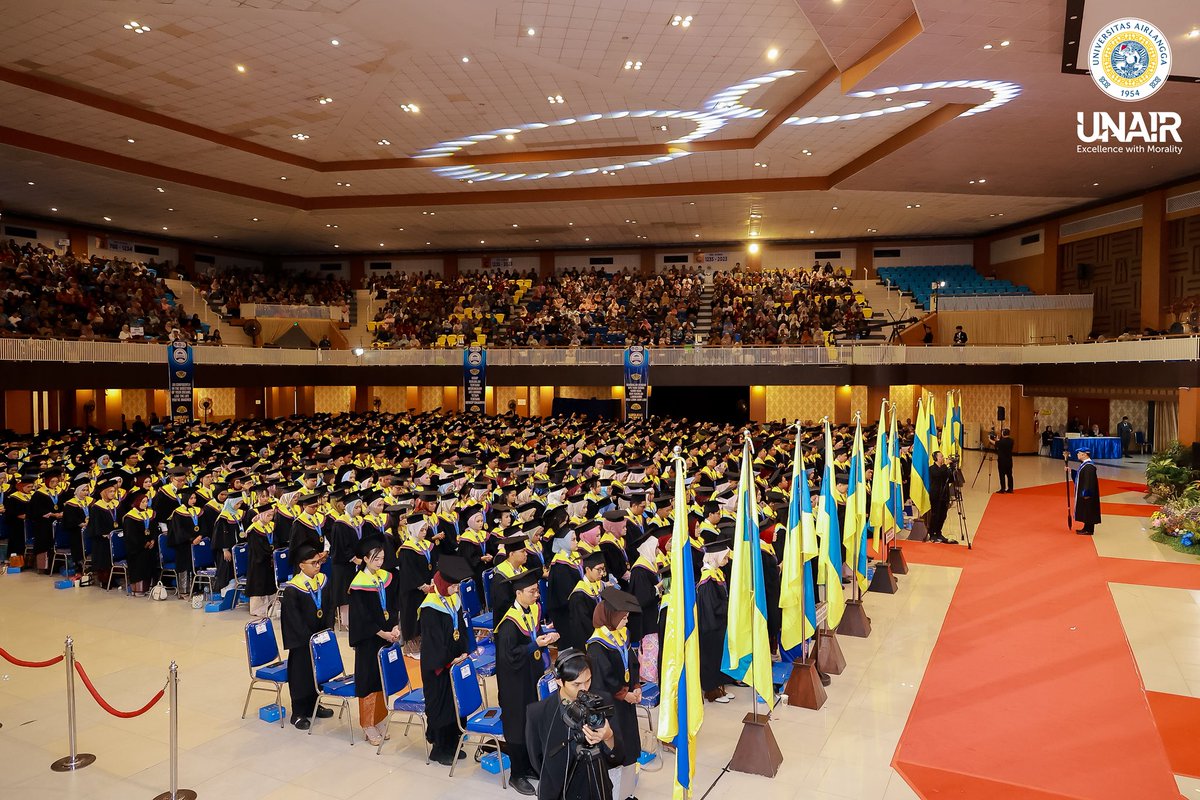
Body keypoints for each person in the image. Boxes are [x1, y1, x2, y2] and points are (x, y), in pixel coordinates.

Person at [525, 649, 623, 800]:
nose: (584, 688)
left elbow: (618, 756)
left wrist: (608, 737)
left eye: (588, 680)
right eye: (576, 684)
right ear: (559, 680)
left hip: (594, 787)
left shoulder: (602, 702)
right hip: (556, 791)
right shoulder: (537, 713)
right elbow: (537, 761)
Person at [495, 568, 559, 796]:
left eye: (537, 590)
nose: (537, 595)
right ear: (519, 593)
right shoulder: (508, 625)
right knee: (517, 726)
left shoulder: (531, 611)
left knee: (532, 722)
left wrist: (547, 636)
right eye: (532, 591)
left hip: (531, 676)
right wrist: (535, 645)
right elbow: (510, 658)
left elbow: (535, 635)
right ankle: (516, 773)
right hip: (514, 685)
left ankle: (530, 764)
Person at [585, 587, 643, 800]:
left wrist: (636, 686)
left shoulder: (622, 635)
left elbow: (632, 663)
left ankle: (627, 793)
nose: (627, 621)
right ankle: (616, 795)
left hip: (626, 704)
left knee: (630, 747)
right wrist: (624, 694)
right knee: (616, 750)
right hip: (611, 709)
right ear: (611, 616)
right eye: (624, 617)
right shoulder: (597, 645)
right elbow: (602, 680)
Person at [418, 555, 473, 765]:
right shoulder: (430, 608)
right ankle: (439, 749)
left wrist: (464, 651)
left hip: (455, 661)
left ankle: (453, 743)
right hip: (438, 667)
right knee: (442, 706)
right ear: (442, 583)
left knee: (455, 704)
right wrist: (450, 659)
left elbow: (461, 629)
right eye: (453, 586)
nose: (456, 590)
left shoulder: (453, 600)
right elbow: (433, 643)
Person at [348, 540, 400, 746]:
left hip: (386, 636)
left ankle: (379, 718)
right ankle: (367, 724)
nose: (379, 563)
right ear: (365, 559)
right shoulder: (359, 584)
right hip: (369, 640)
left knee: (381, 679)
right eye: (375, 559)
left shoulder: (384, 578)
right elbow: (362, 617)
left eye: (382, 559)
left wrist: (395, 627)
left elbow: (393, 605)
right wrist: (382, 633)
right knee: (369, 680)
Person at [279, 544, 335, 729]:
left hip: (320, 637)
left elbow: (329, 606)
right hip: (303, 642)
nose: (317, 566)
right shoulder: (293, 589)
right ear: (302, 565)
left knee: (317, 673)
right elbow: (293, 620)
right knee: (301, 676)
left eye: (319, 562)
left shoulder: (323, 580)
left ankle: (314, 705)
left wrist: (327, 630)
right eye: (313, 563)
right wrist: (309, 639)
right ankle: (298, 713)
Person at [697, 543, 733, 703]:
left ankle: (720, 687)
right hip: (711, 626)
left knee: (720, 656)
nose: (727, 560)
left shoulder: (717, 573)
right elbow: (711, 605)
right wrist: (729, 606)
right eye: (724, 558)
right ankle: (711, 691)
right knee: (711, 657)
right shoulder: (707, 579)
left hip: (719, 623)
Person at [396, 513, 435, 657]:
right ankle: (412, 649)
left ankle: (426, 644)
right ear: (413, 529)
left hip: (428, 588)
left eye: (425, 530)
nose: (424, 533)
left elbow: (433, 564)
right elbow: (408, 571)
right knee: (412, 617)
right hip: (412, 591)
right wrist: (421, 585)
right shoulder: (406, 549)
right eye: (421, 530)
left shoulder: (428, 545)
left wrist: (432, 581)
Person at [565, 551, 607, 653]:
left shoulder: (599, 586)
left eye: (603, 569)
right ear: (588, 569)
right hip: (587, 642)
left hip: (601, 636)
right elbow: (583, 625)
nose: (602, 573)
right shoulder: (578, 595)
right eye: (599, 570)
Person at [245, 501, 279, 619]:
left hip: (269, 560)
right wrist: (269, 554)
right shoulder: (253, 529)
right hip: (258, 561)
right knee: (259, 583)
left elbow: (275, 541)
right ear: (261, 515)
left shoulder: (271, 526)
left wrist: (274, 553)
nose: (270, 518)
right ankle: (257, 608)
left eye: (272, 515)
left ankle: (270, 605)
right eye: (268, 515)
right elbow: (256, 548)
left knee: (269, 582)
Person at [122, 489, 158, 595]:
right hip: (136, 549)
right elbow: (131, 535)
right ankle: (138, 589)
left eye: (147, 501)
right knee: (141, 560)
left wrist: (153, 540)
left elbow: (154, 529)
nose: (145, 504)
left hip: (149, 546)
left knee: (151, 558)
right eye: (143, 502)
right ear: (137, 502)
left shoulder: (150, 514)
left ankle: (149, 587)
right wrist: (143, 543)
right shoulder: (130, 517)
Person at [1070, 448, 1102, 535]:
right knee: (1086, 510)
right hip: (1086, 492)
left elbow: (1089, 481)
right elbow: (1081, 476)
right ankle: (1086, 528)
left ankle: (1089, 530)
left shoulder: (1089, 467)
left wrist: (1086, 493)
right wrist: (1071, 471)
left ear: (1084, 454)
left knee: (1089, 510)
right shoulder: (1085, 465)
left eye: (1079, 453)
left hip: (1088, 493)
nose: (1077, 455)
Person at [927, 452, 954, 544]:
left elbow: (950, 479)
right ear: (936, 458)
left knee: (943, 515)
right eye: (941, 456)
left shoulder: (944, 469)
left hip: (944, 495)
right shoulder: (932, 469)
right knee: (935, 514)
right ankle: (932, 533)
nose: (943, 458)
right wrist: (945, 465)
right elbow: (938, 474)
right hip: (936, 495)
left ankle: (938, 532)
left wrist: (952, 469)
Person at [995, 428, 1015, 494]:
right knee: (1009, 475)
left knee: (1002, 475)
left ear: (1003, 433)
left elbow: (996, 444)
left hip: (1002, 461)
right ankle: (1010, 489)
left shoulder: (1001, 442)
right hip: (1009, 460)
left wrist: (990, 439)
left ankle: (1003, 489)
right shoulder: (1011, 441)